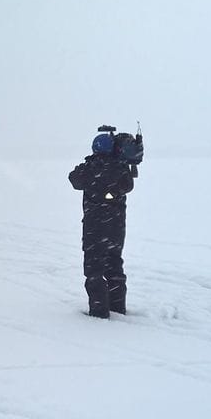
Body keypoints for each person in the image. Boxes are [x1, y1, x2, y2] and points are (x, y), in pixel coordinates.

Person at [68, 133, 134, 318]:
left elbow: (74, 178)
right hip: (116, 229)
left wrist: (90, 163)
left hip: (94, 228)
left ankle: (99, 313)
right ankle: (117, 308)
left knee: (94, 270)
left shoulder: (90, 169)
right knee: (114, 265)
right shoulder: (121, 169)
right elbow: (128, 185)